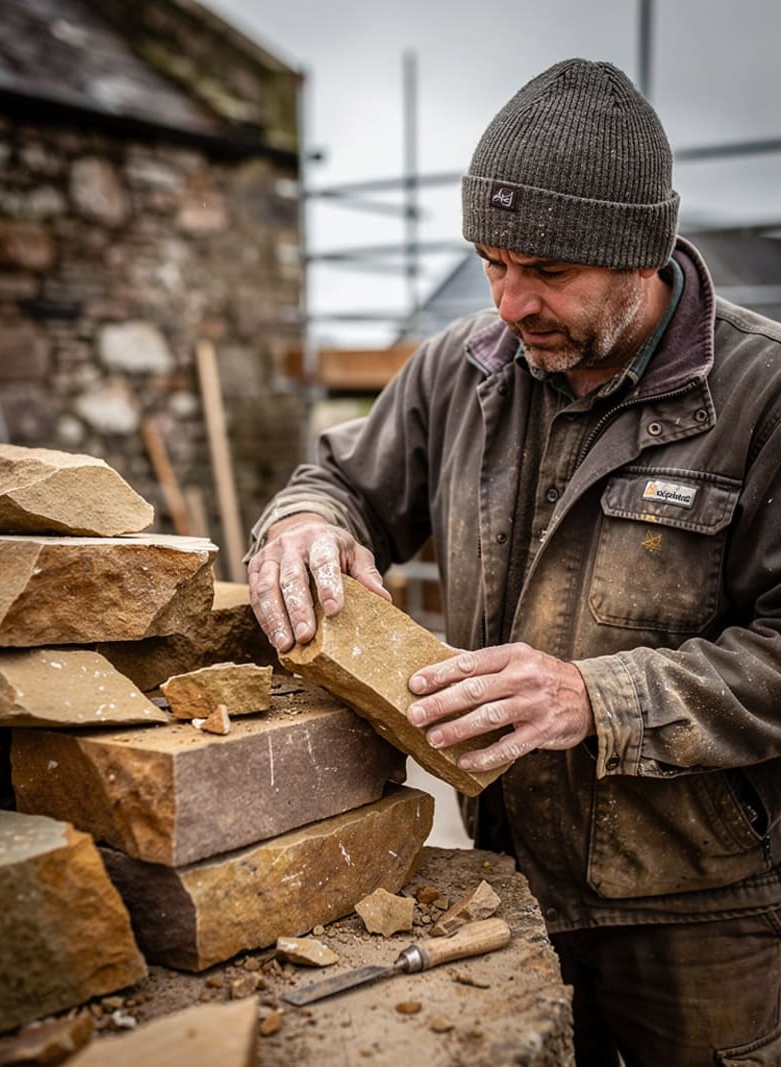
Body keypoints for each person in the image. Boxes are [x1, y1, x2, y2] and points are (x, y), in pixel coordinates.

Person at [246, 58, 781, 1065]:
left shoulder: (761, 399)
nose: (508, 300)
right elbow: (340, 479)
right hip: (504, 877)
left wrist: (596, 696)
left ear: (640, 254)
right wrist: (307, 524)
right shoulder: (462, 368)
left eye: (546, 270)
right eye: (490, 261)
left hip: (700, 906)